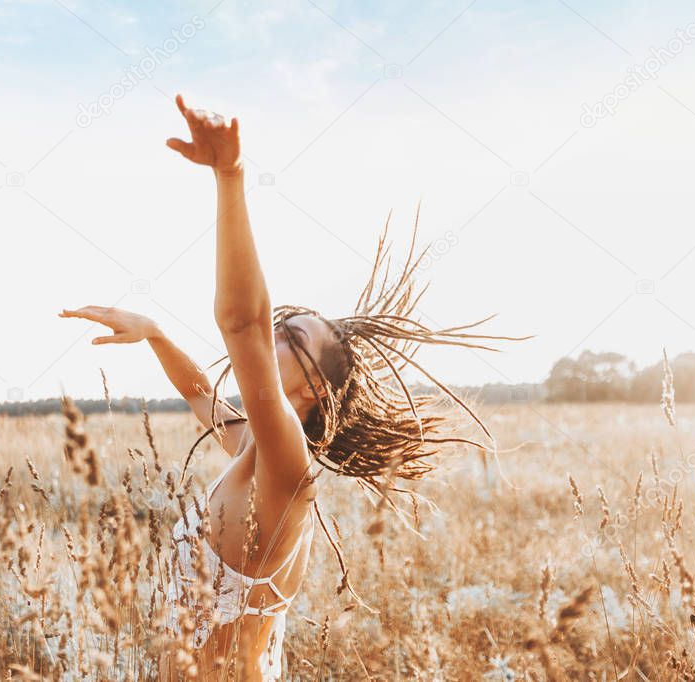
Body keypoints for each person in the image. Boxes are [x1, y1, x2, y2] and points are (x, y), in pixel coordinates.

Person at [60, 94, 525, 680]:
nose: (273, 337)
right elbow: (202, 395)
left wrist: (230, 178)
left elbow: (242, 323)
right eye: (280, 329)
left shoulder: (287, 465)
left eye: (292, 339)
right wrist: (155, 335)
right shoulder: (255, 453)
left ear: (316, 394)